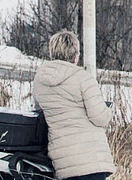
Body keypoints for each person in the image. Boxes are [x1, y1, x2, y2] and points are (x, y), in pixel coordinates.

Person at [33, 30, 115, 180]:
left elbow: (40, 112)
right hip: (90, 159)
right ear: (75, 55)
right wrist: (108, 110)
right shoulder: (83, 78)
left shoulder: (40, 79)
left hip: (62, 161)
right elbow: (99, 117)